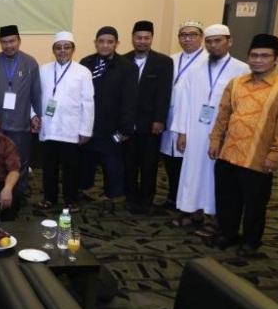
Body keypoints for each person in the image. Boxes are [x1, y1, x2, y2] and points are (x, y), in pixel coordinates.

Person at [209, 34, 278, 256]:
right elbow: (223, 115)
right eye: (254, 55)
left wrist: (275, 154)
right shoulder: (236, 83)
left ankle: (251, 241)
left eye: (264, 56)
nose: (258, 60)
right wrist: (215, 140)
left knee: (255, 204)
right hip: (229, 152)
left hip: (257, 156)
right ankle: (228, 233)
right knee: (227, 198)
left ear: (276, 59)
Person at [173, 24, 249, 241]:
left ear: (229, 41)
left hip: (224, 133)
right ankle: (193, 210)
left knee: (215, 176)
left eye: (218, 41)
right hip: (195, 130)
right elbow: (184, 102)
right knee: (193, 170)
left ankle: (213, 218)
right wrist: (182, 132)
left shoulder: (241, 70)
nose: (213, 45)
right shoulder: (196, 69)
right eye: (209, 41)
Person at [0, 24, 42, 203]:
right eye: (4, 42)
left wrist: (37, 116)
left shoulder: (30, 63)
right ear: (0, 43)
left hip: (20, 123)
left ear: (19, 41)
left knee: (20, 161)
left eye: (12, 41)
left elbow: (36, 92)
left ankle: (18, 194)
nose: (8, 45)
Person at [36, 32, 94, 210]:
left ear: (73, 49)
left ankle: (71, 199)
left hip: (71, 128)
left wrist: (86, 130)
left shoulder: (83, 72)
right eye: (58, 47)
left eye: (66, 47)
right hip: (49, 127)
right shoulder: (43, 70)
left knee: (71, 168)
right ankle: (49, 198)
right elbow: (35, 96)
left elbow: (88, 102)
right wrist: (34, 116)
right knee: (49, 167)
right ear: (53, 50)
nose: (62, 51)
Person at [79, 26, 137, 204]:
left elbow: (130, 99)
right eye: (101, 41)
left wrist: (126, 128)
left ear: (116, 44)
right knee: (86, 161)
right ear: (95, 43)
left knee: (112, 164)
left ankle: (112, 196)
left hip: (113, 126)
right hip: (89, 124)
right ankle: (85, 189)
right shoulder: (86, 63)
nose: (105, 45)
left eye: (110, 42)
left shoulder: (127, 67)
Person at [122, 20, 173, 213]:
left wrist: (159, 119)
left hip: (151, 124)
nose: (142, 41)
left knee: (149, 165)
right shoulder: (123, 60)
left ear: (152, 39)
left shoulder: (163, 62)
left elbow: (164, 94)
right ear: (132, 38)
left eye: (146, 38)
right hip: (127, 124)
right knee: (129, 164)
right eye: (139, 37)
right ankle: (130, 198)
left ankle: (146, 200)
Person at [159, 21, 207, 210]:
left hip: (193, 120)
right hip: (170, 116)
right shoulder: (171, 60)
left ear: (201, 37)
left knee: (190, 163)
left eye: (192, 35)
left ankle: (190, 202)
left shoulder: (208, 61)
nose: (187, 39)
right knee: (170, 159)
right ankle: (173, 197)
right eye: (183, 35)